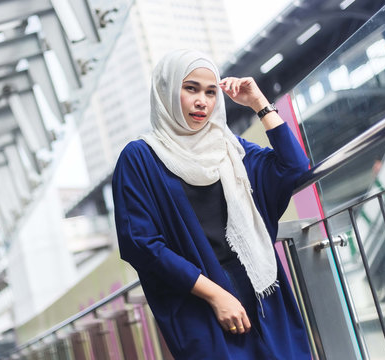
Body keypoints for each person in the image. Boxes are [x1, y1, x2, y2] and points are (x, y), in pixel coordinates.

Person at [112, 49, 312, 359]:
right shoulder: (140, 158)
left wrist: (259, 103)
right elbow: (142, 244)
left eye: (210, 92)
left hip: (262, 291)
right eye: (190, 88)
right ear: (166, 90)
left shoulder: (229, 148)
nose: (202, 101)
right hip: (199, 302)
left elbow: (295, 168)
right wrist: (217, 295)